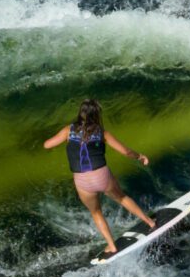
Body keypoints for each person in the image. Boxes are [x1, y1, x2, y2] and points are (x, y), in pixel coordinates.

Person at [43, 98, 156, 253]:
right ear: (96, 115)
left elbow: (47, 144)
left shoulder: (68, 131)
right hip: (101, 176)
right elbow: (126, 151)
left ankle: (112, 246)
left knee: (96, 212)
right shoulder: (102, 133)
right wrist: (140, 156)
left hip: (82, 181)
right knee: (121, 198)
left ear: (80, 113)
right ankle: (150, 222)